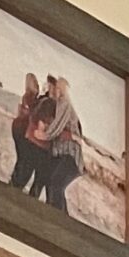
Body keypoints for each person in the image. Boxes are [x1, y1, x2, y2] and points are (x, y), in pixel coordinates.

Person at [40, 76, 85, 213]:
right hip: (62, 154)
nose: (56, 90)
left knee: (56, 184)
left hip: (69, 155)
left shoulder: (64, 104)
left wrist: (44, 134)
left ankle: (59, 219)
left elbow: (57, 126)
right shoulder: (59, 104)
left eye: (59, 88)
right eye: (56, 87)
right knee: (52, 184)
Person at [8, 73, 50, 194]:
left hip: (22, 131)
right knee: (25, 166)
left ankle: (13, 187)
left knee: (24, 164)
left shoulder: (36, 99)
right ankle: (13, 189)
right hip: (24, 134)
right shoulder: (41, 101)